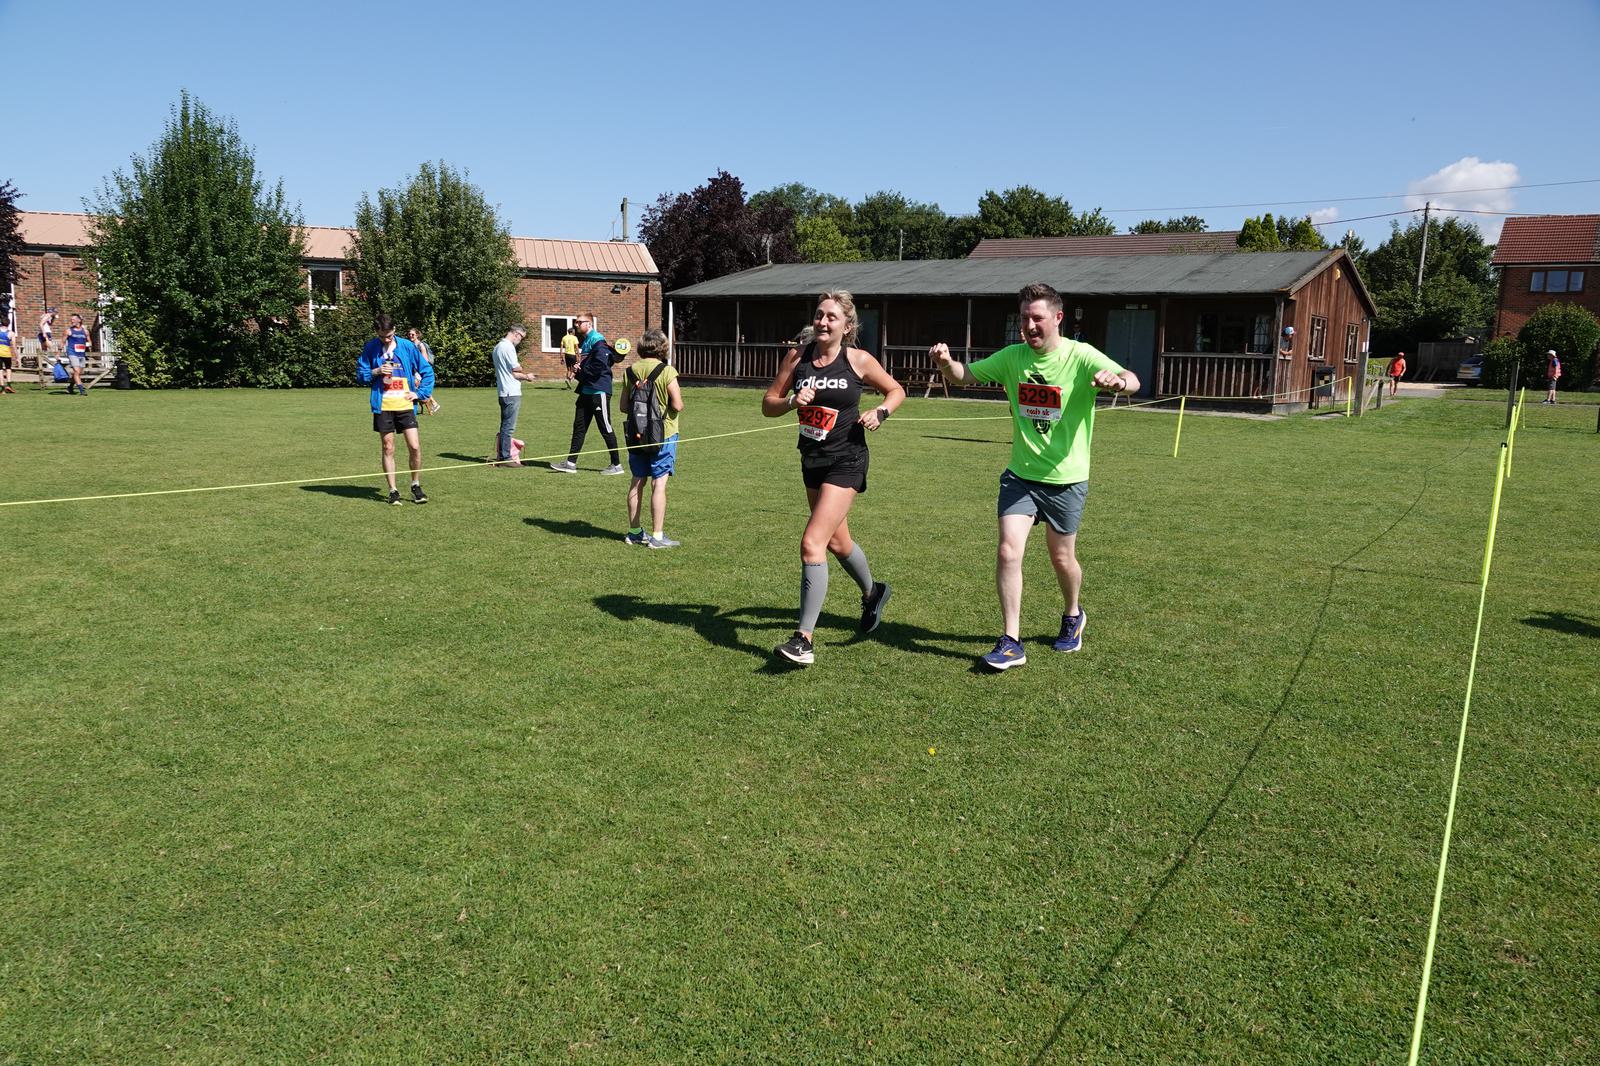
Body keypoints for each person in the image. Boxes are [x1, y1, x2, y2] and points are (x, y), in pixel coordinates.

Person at [930, 282, 1140, 671]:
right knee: (1009, 550)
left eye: (1037, 318)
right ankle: (1011, 641)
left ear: (1057, 318)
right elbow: (964, 376)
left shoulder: (1080, 356)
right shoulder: (1013, 357)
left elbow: (1132, 379)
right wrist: (945, 363)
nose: (1029, 325)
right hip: (1021, 476)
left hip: (1067, 479)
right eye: (1024, 318)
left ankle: (1073, 613)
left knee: (1062, 558)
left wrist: (1117, 382)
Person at [762, 290, 904, 666]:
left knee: (813, 543)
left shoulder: (857, 360)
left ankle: (803, 640)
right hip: (812, 460)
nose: (823, 323)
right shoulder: (797, 357)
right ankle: (874, 593)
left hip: (848, 459)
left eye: (831, 318)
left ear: (847, 325)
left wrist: (881, 413)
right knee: (839, 543)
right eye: (819, 315)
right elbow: (768, 404)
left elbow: (896, 390)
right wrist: (792, 401)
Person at [357, 312, 435, 505]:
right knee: (388, 447)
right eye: (382, 336)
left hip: (405, 405)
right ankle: (393, 490)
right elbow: (361, 374)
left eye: (389, 336)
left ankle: (415, 485)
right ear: (376, 332)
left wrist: (420, 394)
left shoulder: (408, 347)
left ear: (395, 330)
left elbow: (426, 371)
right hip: (383, 405)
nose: (386, 339)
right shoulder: (370, 348)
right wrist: (376, 371)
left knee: (415, 447)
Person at [622, 329, 685, 548]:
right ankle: (657, 537)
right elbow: (677, 405)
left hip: (636, 434)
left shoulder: (630, 371)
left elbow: (623, 406)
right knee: (659, 483)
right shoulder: (667, 371)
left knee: (637, 480)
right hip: (664, 434)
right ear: (662, 348)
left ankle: (634, 531)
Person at [552, 312, 624, 475]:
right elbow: (591, 364)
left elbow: (601, 366)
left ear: (589, 324)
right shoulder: (587, 341)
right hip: (586, 391)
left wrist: (580, 370)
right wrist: (578, 369)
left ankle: (616, 465)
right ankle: (570, 463)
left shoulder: (598, 340)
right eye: (575, 322)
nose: (576, 325)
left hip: (599, 391)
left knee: (605, 427)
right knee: (579, 427)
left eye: (579, 322)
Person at [491, 324, 535, 466]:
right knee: (508, 427)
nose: (520, 341)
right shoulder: (508, 347)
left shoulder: (498, 347)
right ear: (516, 333)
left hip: (503, 391)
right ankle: (505, 458)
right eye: (521, 337)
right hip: (511, 391)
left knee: (505, 425)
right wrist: (527, 376)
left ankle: (503, 455)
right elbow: (516, 369)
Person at [63, 313, 91, 395]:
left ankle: (70, 387)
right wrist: (58, 353)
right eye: (71, 319)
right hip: (72, 353)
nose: (72, 321)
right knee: (77, 371)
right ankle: (82, 390)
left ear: (79, 320)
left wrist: (88, 345)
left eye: (74, 319)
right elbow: (62, 342)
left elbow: (89, 341)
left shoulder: (85, 331)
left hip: (81, 354)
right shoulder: (68, 331)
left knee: (78, 373)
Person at [0, 320, 15, 394]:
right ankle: (9, 385)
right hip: (7, 354)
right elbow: (14, 346)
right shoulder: (11, 333)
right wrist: (17, 357)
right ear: (8, 324)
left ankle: (2, 387)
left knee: (0, 370)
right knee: (8, 369)